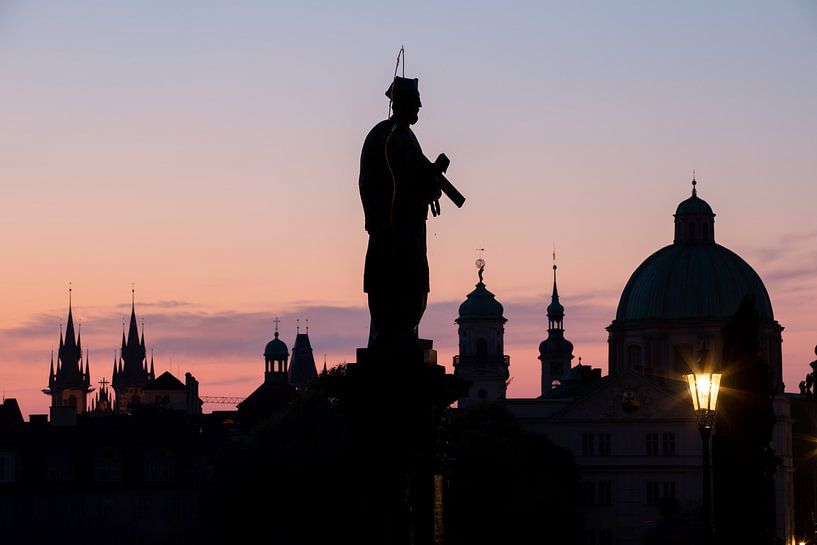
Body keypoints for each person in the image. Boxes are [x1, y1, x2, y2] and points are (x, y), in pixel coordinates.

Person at [359, 76, 448, 352]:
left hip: (411, 225)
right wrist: (376, 218)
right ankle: (388, 333)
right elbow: (371, 180)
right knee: (388, 278)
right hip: (391, 225)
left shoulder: (408, 138)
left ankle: (404, 331)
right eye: (415, 101)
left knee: (415, 278)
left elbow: (417, 178)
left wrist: (431, 187)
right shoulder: (383, 135)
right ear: (402, 102)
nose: (419, 106)